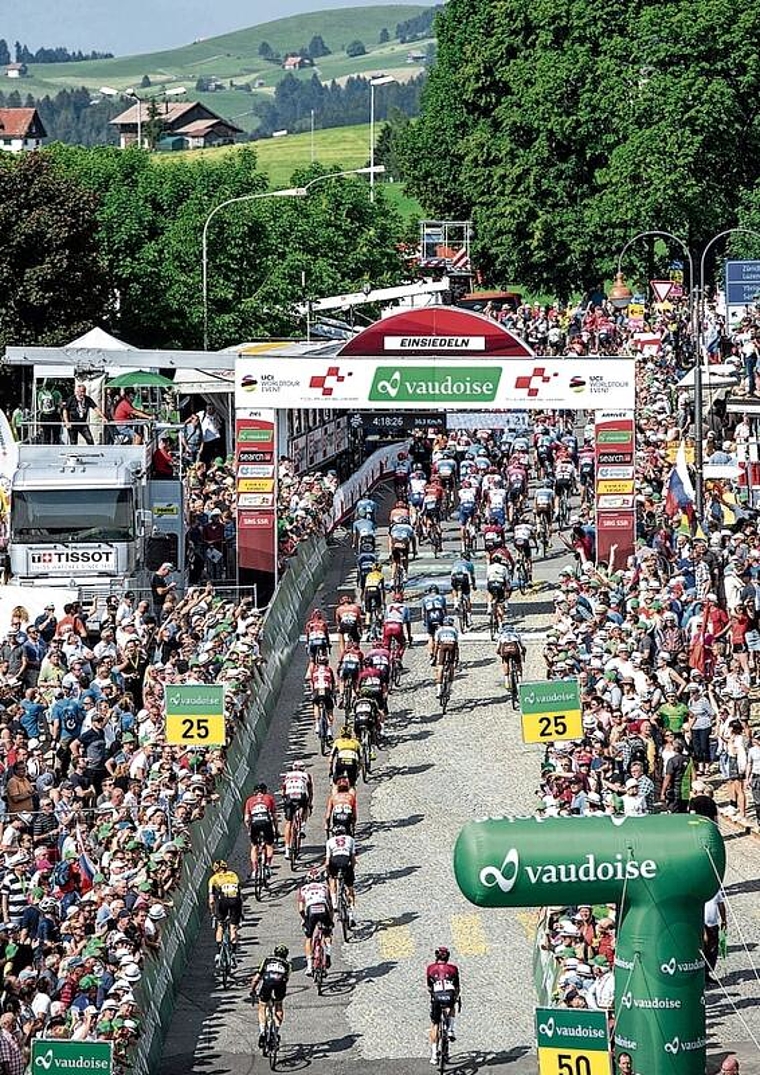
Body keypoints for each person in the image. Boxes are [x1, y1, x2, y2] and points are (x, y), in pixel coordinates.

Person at [250, 945, 290, 1050]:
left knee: (262, 1006)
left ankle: (263, 1032)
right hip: (280, 984)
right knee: (278, 1005)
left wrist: (253, 989)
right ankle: (275, 1032)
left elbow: (257, 977)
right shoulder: (287, 965)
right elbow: (286, 979)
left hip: (267, 983)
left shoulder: (267, 960)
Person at [426, 945, 461, 1065]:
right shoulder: (453, 968)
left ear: (436, 956)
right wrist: (456, 998)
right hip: (449, 993)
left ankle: (434, 1055)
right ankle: (450, 1029)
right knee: (451, 1007)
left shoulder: (430, 968)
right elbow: (457, 987)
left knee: (435, 1024)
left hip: (436, 996)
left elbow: (429, 987)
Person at [297, 868, 333, 977]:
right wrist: (330, 920)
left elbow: (301, 909)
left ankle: (309, 967)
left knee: (309, 938)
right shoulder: (324, 887)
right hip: (323, 908)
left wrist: (305, 919)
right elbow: (330, 907)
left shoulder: (302, 889)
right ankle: (328, 954)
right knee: (327, 933)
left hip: (311, 911)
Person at [207, 859, 242, 965]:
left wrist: (213, 912)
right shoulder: (233, 875)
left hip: (223, 901)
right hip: (235, 900)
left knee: (220, 925)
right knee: (233, 928)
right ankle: (233, 954)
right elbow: (240, 893)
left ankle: (218, 953)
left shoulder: (213, 879)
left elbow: (212, 900)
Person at [324, 819, 357, 926]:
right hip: (345, 861)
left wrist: (327, 871)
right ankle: (351, 915)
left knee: (332, 879)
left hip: (334, 861)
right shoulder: (350, 839)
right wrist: (351, 869)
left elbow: (327, 861)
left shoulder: (329, 841)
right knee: (350, 889)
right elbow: (353, 858)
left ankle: (334, 903)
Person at [244, 782, 279, 879]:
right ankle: (268, 865)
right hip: (266, 822)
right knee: (269, 845)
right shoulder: (269, 798)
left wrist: (249, 830)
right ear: (264, 791)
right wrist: (276, 830)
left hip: (255, 824)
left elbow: (247, 819)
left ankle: (255, 870)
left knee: (254, 846)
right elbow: (274, 816)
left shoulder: (249, 800)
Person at [281, 761, 312, 861]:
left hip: (289, 796)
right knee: (305, 807)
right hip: (301, 795)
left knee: (289, 822)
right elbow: (310, 791)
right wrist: (310, 804)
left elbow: (283, 791)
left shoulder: (288, 775)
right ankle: (302, 826)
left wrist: (284, 801)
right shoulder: (306, 775)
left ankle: (287, 849)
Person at [433, 616, 459, 698]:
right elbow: (456, 644)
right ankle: (448, 688)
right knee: (451, 666)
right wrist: (457, 658)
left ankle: (439, 689)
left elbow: (436, 644)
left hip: (443, 645)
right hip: (452, 645)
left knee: (440, 666)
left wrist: (434, 655)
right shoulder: (454, 629)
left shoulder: (439, 630)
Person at [421, 585, 447, 661]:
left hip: (430, 618)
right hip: (440, 617)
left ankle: (431, 653)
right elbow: (444, 610)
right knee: (441, 635)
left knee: (430, 636)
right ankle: (441, 651)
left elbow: (423, 612)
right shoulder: (442, 598)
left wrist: (424, 620)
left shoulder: (425, 599)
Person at [496, 623, 525, 690]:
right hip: (514, 650)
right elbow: (521, 645)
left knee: (505, 661)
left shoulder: (501, 635)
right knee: (518, 662)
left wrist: (498, 652)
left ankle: (506, 680)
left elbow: (498, 647)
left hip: (505, 650)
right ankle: (520, 679)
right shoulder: (516, 634)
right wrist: (523, 650)